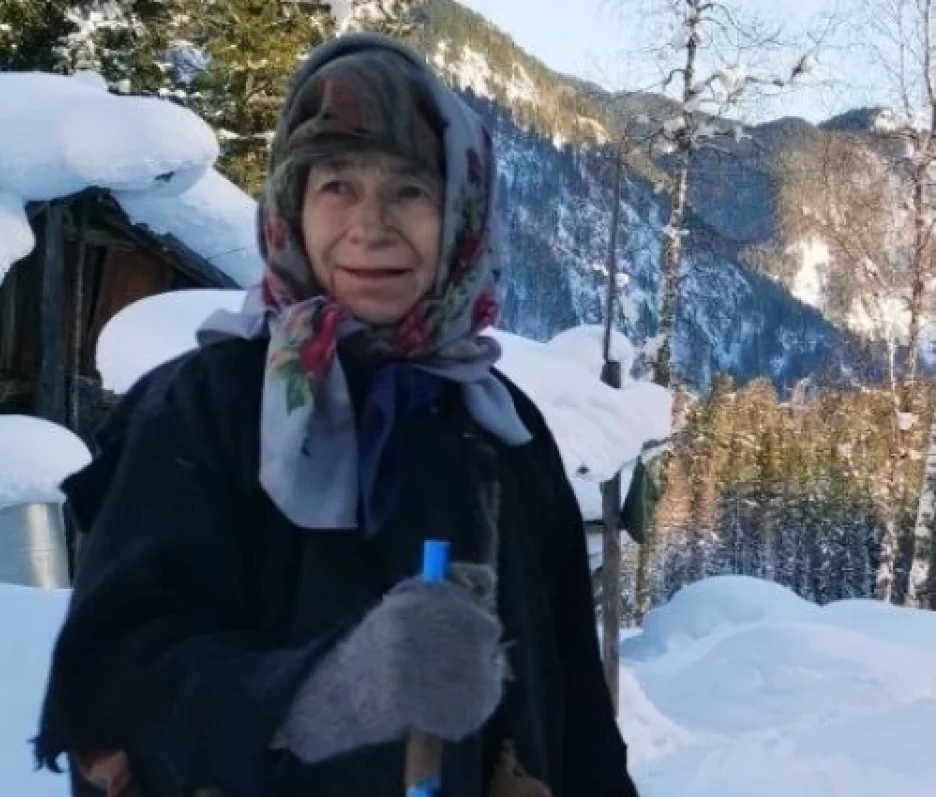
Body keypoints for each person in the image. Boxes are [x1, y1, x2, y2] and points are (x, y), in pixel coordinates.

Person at [32, 32, 639, 797]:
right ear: (292, 205)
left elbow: (574, 703)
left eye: (411, 190)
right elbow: (112, 687)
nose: (370, 225)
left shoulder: (498, 427)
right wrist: (333, 690)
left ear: (463, 212)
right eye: (338, 186)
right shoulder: (201, 407)